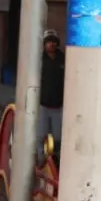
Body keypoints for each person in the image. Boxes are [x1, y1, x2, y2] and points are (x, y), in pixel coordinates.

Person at [39, 30, 65, 159]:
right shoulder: (39, 59)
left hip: (58, 106)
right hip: (42, 105)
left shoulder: (62, 58)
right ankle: (40, 161)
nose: (52, 44)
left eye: (54, 41)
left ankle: (55, 161)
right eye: (49, 41)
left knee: (58, 137)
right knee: (41, 135)